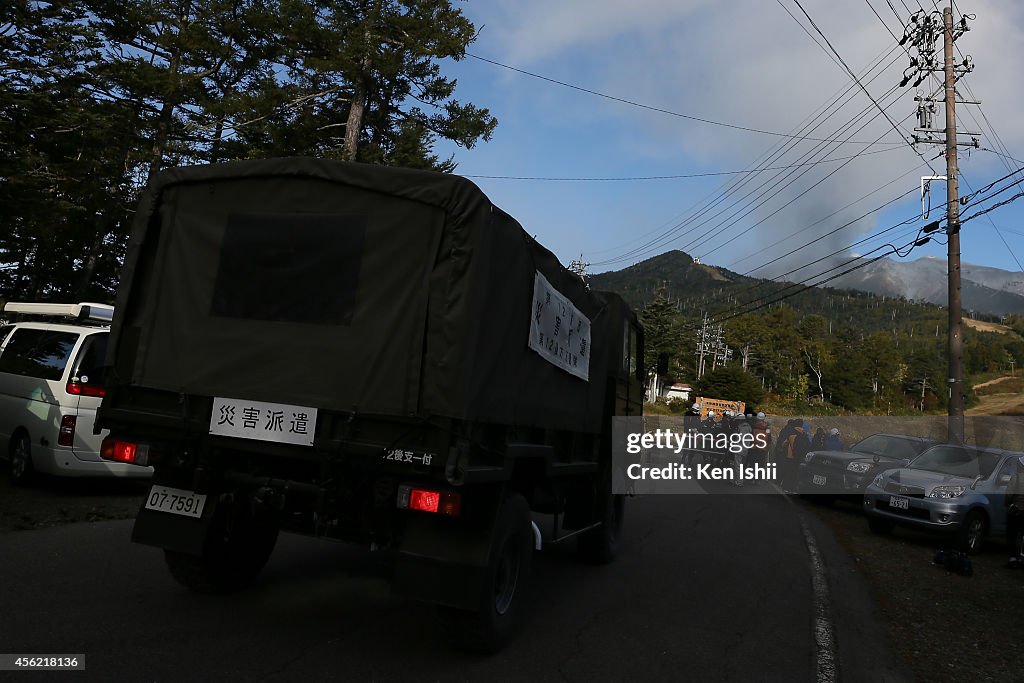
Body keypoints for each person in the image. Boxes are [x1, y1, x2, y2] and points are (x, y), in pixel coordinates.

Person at [782, 421, 812, 493]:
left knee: (788, 472)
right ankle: (793, 489)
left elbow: (784, 444)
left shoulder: (791, 433)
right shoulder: (804, 434)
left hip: (790, 456)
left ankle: (786, 488)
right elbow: (808, 446)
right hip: (799, 457)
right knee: (796, 473)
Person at [1006, 455, 1024, 568]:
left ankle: (1012, 558)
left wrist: (1007, 504)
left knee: (1012, 535)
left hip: (1017, 511)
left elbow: (1009, 495)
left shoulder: (1016, 477)